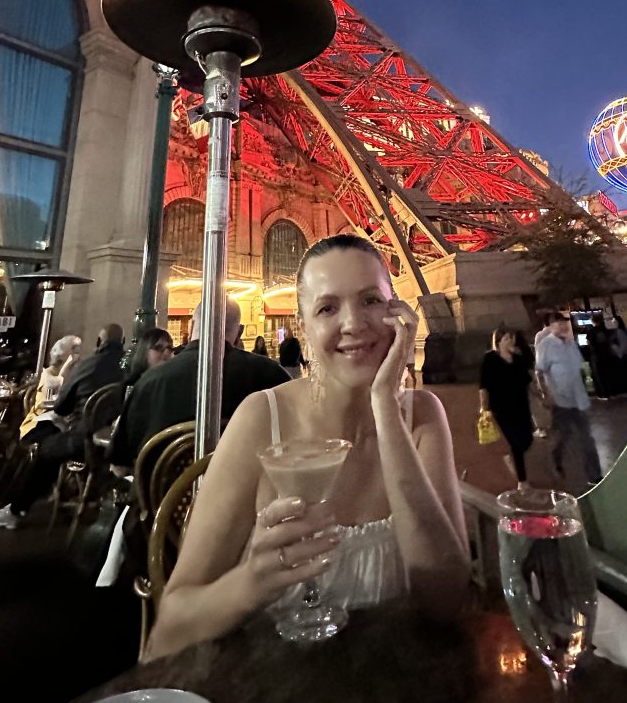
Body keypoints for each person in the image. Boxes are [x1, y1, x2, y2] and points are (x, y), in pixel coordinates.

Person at [146, 235, 469, 658]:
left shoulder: (423, 416)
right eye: (328, 307)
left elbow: (444, 600)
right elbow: (167, 632)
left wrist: (385, 403)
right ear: (304, 326)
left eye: (371, 300)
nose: (353, 323)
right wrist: (253, 581)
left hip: (395, 690)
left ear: (399, 314)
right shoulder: (261, 419)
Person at [110, 301, 289, 470]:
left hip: (160, 500)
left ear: (191, 325)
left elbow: (119, 465)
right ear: (240, 332)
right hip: (245, 500)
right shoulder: (271, 376)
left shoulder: (148, 382)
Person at [0, 323, 125, 528]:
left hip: (85, 441)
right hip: (119, 442)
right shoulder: (129, 366)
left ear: (99, 342)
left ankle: (17, 509)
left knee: (47, 450)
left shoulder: (86, 366)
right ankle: (69, 494)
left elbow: (62, 407)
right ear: (123, 342)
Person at [535, 311, 603, 487]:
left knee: (586, 438)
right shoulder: (546, 345)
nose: (562, 325)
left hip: (578, 398)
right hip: (560, 400)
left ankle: (595, 475)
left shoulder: (571, 343)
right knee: (561, 437)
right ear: (550, 326)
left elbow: (579, 367)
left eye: (564, 322)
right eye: (558, 323)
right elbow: (540, 371)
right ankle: (556, 464)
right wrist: (546, 394)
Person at [479, 326, 534, 481]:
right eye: (507, 338)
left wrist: (541, 396)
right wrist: (484, 406)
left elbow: (527, 380)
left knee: (527, 441)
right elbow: (484, 384)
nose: (511, 341)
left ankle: (513, 460)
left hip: (522, 405)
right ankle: (522, 482)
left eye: (512, 338)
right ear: (498, 342)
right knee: (516, 444)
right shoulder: (490, 359)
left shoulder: (517, 359)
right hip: (501, 408)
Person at [18, 333, 81, 443]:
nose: (77, 352)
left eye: (78, 348)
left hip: (62, 421)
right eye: (73, 348)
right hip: (40, 422)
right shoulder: (48, 372)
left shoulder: (74, 372)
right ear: (61, 353)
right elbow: (54, 391)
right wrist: (67, 364)